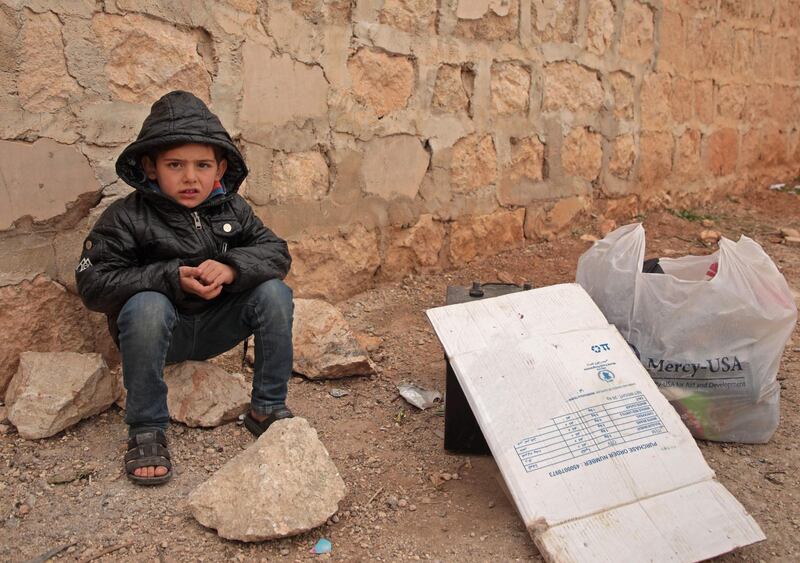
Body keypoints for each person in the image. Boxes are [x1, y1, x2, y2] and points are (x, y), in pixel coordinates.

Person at [76, 91, 294, 486]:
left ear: (220, 167)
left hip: (216, 328)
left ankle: (267, 407)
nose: (190, 177)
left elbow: (276, 252)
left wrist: (231, 267)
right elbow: (93, 283)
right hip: (161, 334)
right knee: (147, 305)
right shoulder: (126, 216)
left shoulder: (234, 210)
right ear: (151, 166)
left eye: (202, 165)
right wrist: (170, 277)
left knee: (275, 293)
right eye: (175, 164)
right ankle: (146, 428)